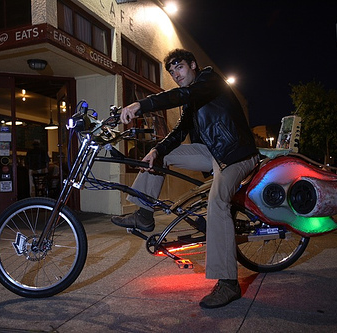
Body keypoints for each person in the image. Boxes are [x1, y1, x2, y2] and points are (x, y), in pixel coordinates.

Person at [111, 49, 259, 308]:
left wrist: (141, 104)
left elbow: (185, 93)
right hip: (213, 152)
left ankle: (227, 283)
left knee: (217, 204)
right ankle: (144, 214)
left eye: (179, 67)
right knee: (160, 157)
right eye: (171, 71)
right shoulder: (192, 102)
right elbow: (180, 132)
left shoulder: (209, 81)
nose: (175, 74)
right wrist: (157, 150)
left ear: (193, 65)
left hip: (236, 153)